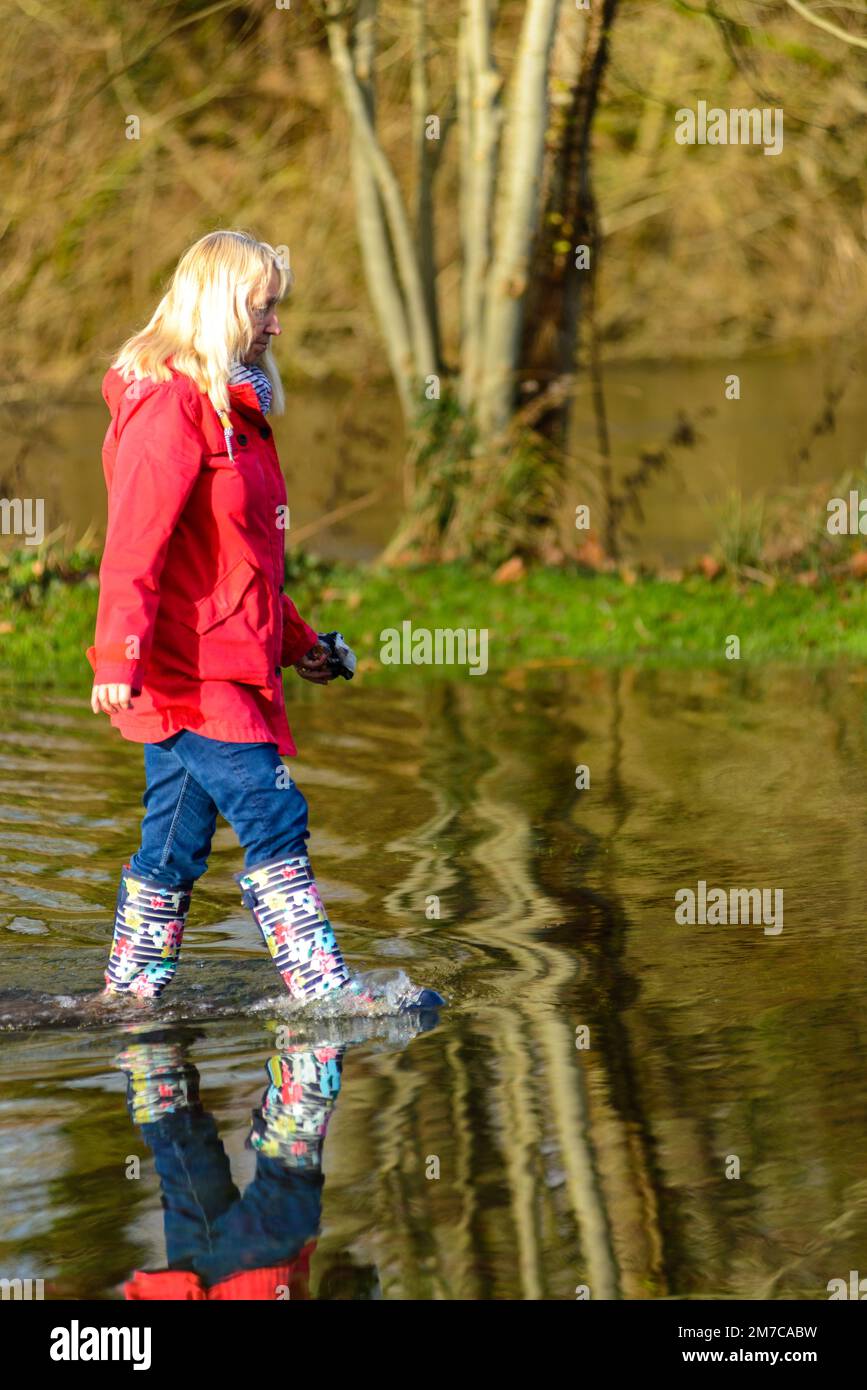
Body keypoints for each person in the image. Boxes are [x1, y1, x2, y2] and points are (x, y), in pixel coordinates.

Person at [87, 229, 442, 1014]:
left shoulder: (232, 413)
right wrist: (117, 659)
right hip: (186, 672)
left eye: (276, 305)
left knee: (173, 842)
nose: (276, 324)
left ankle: (126, 999)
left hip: (226, 662)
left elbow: (238, 561)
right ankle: (324, 993)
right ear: (221, 304)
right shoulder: (170, 407)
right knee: (273, 809)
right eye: (264, 306)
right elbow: (132, 549)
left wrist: (302, 645)